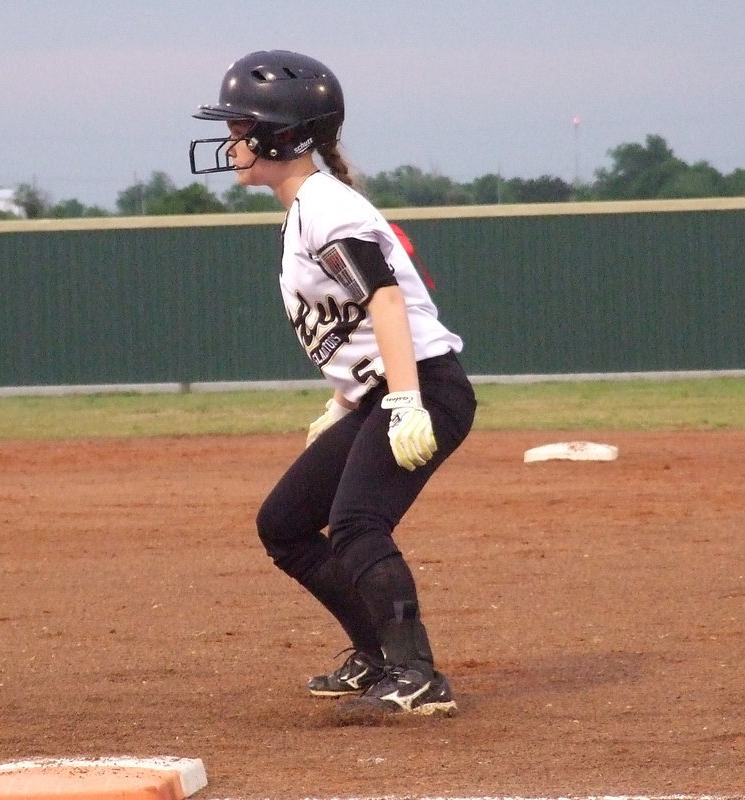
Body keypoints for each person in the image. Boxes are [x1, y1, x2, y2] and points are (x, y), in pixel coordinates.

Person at [189, 51, 476, 719]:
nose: (231, 141)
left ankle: (417, 673)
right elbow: (360, 323)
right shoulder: (306, 209)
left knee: (356, 524)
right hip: (386, 390)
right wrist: (348, 399)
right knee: (285, 525)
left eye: (240, 127)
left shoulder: (324, 204)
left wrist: (403, 400)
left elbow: (385, 301)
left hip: (426, 386)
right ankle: (377, 653)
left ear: (280, 137)